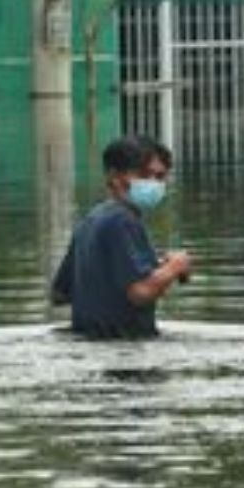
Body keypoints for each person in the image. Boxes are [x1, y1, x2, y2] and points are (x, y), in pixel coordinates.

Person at [50, 136, 191, 338]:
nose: (153, 183)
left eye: (160, 177)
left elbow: (60, 294)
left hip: (90, 348)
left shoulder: (89, 220)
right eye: (143, 174)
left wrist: (154, 268)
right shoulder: (123, 220)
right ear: (114, 177)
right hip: (123, 344)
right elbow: (140, 293)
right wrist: (175, 266)